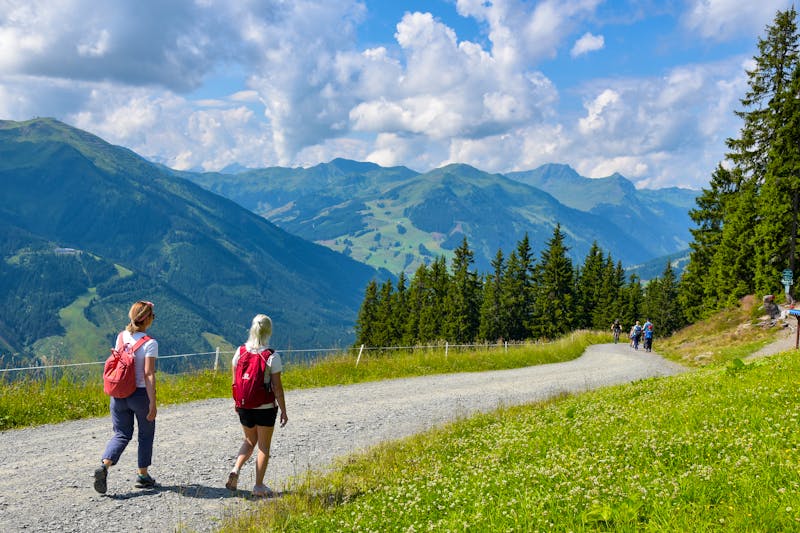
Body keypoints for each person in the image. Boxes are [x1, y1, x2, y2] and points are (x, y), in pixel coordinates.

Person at [94, 300, 159, 493]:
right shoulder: (150, 343)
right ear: (146, 319)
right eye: (152, 316)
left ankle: (104, 465)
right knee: (145, 434)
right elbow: (148, 374)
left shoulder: (121, 337)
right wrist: (153, 402)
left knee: (121, 434)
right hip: (139, 395)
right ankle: (143, 476)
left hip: (118, 394)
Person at [226, 314, 288, 497]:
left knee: (249, 440)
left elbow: (234, 382)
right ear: (269, 331)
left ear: (252, 329)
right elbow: (277, 388)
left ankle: (236, 468)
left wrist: (237, 402)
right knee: (263, 446)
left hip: (244, 405)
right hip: (265, 408)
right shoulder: (271, 356)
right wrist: (284, 410)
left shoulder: (240, 352)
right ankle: (259, 486)